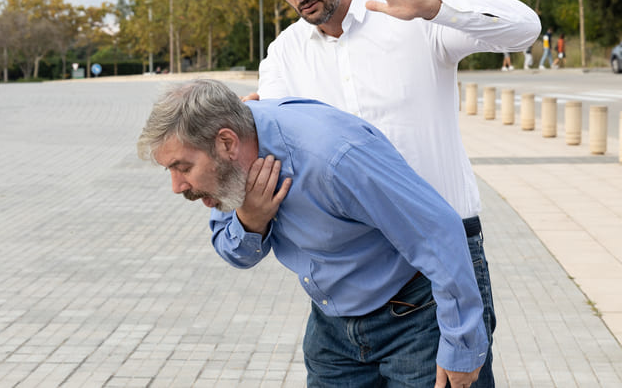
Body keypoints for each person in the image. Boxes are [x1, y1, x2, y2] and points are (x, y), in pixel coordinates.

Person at [242, 0, 540, 388]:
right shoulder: (285, 54)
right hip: (348, 283)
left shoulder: (410, 16)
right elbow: (279, 151)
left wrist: (434, 8)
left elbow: (525, 28)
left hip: (440, 268)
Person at [137, 79, 488, 388]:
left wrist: (463, 346)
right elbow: (235, 253)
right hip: (332, 328)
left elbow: (439, 232)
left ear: (227, 143)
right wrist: (251, 220)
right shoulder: (231, 168)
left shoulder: (333, 155)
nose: (176, 185)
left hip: (414, 318)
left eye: (183, 167)